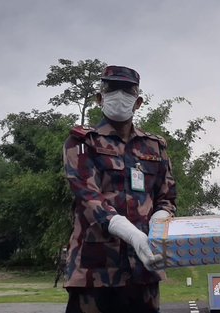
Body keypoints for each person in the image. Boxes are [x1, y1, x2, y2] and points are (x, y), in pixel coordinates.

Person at [62, 65, 177, 313]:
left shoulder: (155, 147)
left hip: (144, 271)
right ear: (99, 98)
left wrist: (159, 221)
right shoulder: (82, 142)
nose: (119, 96)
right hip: (95, 270)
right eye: (112, 89)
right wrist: (133, 235)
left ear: (138, 102)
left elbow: (166, 198)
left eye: (127, 91)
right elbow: (89, 198)